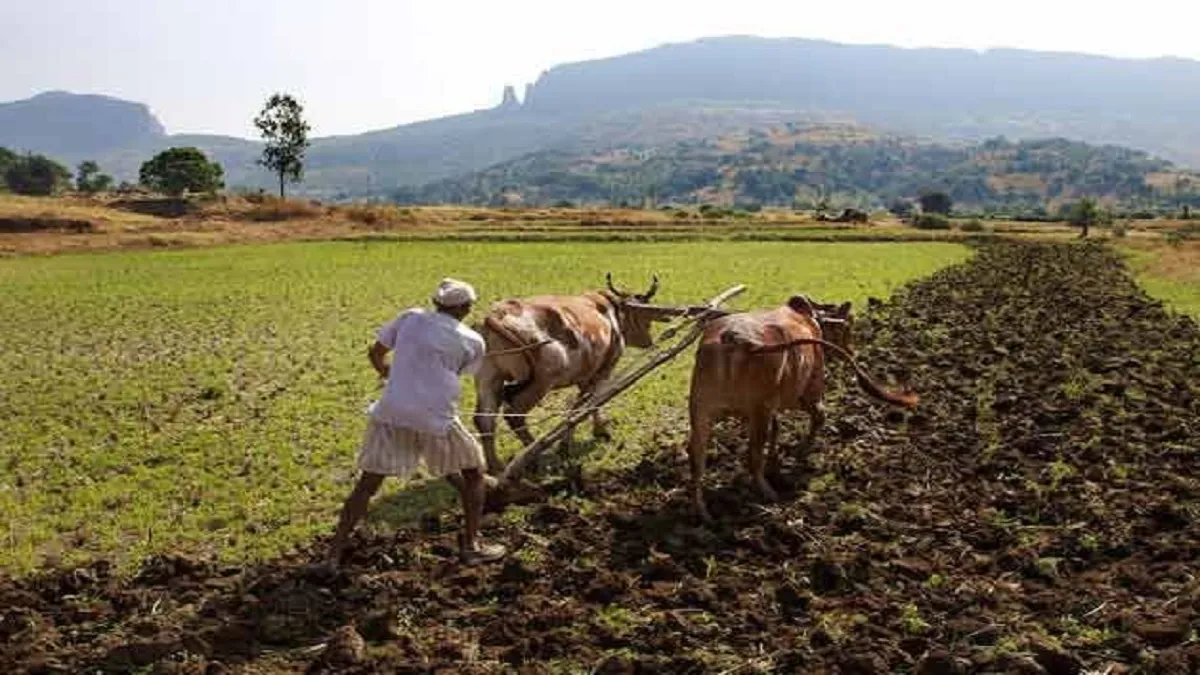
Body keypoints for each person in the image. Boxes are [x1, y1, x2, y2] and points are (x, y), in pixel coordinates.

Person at [326, 278, 507, 567]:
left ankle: (333, 555)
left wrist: (391, 375)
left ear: (436, 303)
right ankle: (472, 546)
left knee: (367, 484)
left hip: (391, 408)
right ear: (464, 308)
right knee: (474, 473)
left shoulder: (410, 317)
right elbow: (455, 372)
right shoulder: (473, 340)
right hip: (436, 413)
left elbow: (375, 353)